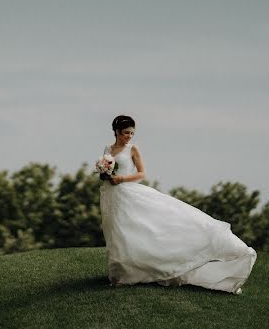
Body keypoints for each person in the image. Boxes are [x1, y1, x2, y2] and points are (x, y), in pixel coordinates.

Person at [99, 115, 256, 294]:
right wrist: (105, 174)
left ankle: (133, 272)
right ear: (117, 132)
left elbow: (141, 173)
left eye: (132, 133)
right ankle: (119, 274)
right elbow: (106, 171)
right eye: (126, 133)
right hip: (111, 195)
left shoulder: (133, 149)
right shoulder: (108, 149)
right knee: (117, 232)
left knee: (141, 228)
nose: (129, 136)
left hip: (128, 192)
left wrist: (122, 179)